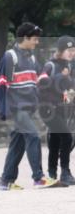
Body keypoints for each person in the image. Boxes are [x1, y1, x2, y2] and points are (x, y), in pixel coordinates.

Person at [0, 23, 58, 189]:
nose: (37, 42)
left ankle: (5, 181)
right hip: (17, 108)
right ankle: (39, 178)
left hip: (28, 108)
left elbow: (39, 79)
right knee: (33, 136)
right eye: (35, 39)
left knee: (18, 143)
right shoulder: (10, 57)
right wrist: (4, 109)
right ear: (25, 38)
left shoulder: (31, 58)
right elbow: (2, 84)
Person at [39, 35, 75, 185]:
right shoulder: (50, 65)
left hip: (61, 108)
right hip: (48, 108)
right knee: (66, 137)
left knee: (55, 139)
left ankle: (52, 173)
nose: (72, 53)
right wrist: (61, 76)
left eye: (74, 50)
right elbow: (41, 81)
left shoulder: (70, 66)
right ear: (60, 51)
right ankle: (65, 172)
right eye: (69, 50)